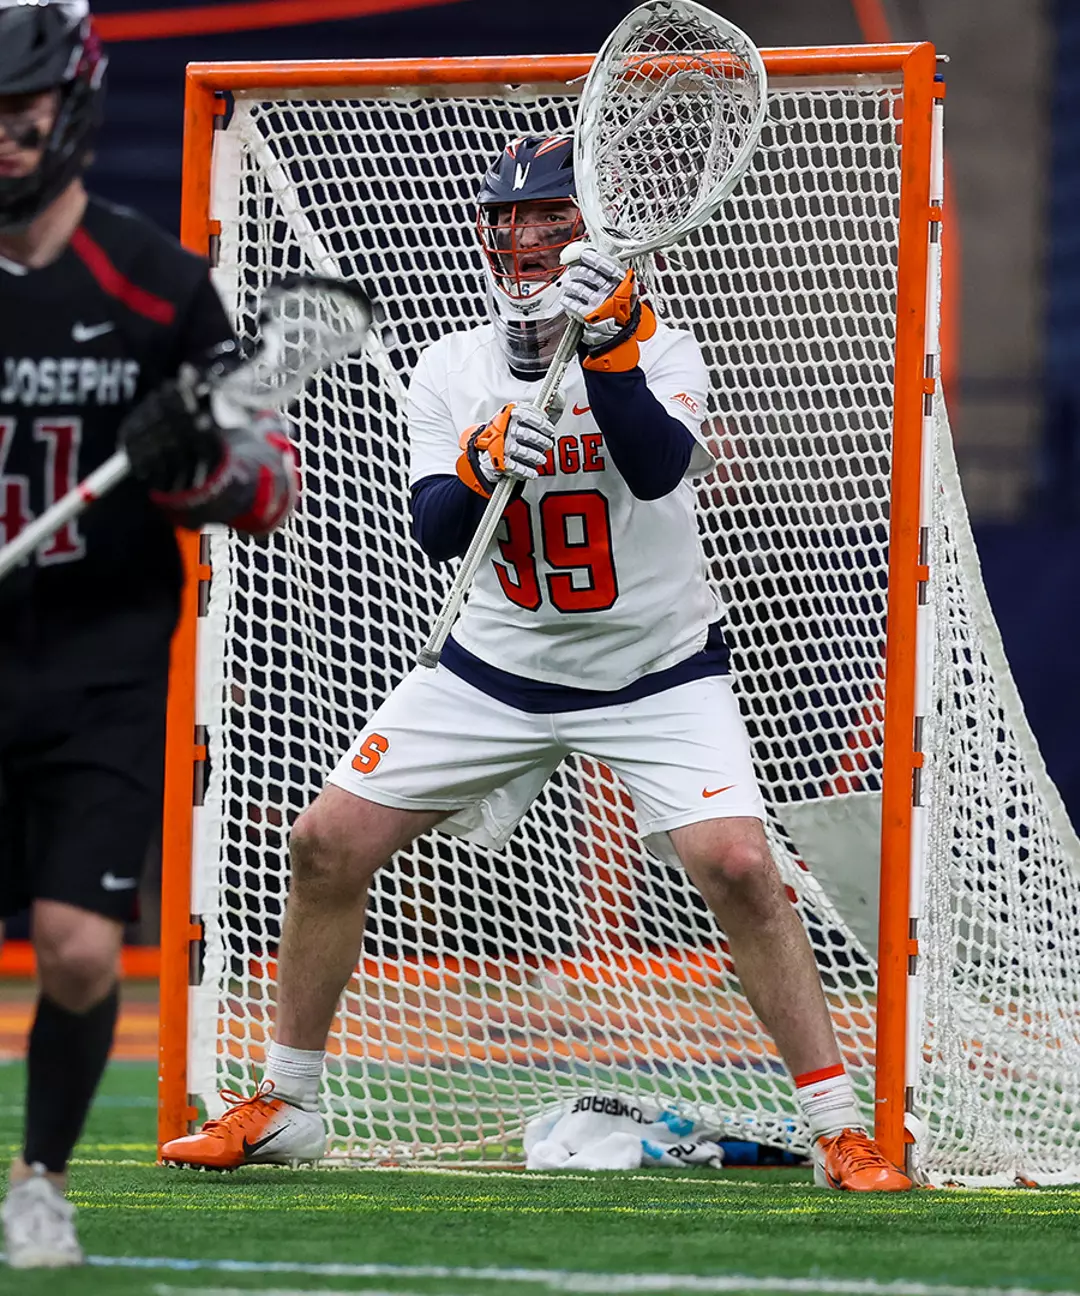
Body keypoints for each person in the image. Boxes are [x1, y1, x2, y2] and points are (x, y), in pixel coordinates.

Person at [160, 133, 911, 1193]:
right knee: (324, 843)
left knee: (741, 867)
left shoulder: (665, 349)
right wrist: (477, 463)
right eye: (509, 220)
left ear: (596, 229)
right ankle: (289, 1103)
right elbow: (434, 528)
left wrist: (609, 348)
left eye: (551, 217)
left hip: (654, 671)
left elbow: (654, 468)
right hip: (493, 670)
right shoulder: (451, 367)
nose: (526, 239)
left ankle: (834, 1125)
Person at [0, 0, 298, 1268]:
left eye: (21, 115)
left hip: (100, 667)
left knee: (76, 951)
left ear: (72, 112)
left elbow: (268, 488)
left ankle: (39, 1184)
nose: (4, 140)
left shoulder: (158, 285)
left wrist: (191, 470)